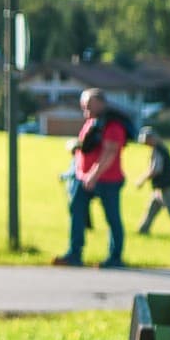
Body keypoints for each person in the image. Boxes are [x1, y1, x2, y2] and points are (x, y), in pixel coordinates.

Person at [54, 86, 132, 270]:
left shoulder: (112, 124)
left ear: (101, 103)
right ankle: (74, 253)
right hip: (82, 178)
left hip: (107, 180)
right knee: (77, 212)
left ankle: (115, 257)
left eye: (88, 105)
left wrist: (93, 175)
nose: (85, 109)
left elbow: (110, 153)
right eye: (83, 105)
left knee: (112, 218)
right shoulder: (92, 122)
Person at [138, 128, 170, 239]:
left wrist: (142, 180)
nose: (146, 144)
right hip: (160, 186)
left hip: (164, 186)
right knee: (152, 209)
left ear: (151, 138)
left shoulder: (158, 150)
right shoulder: (160, 148)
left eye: (146, 141)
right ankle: (143, 230)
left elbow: (156, 169)